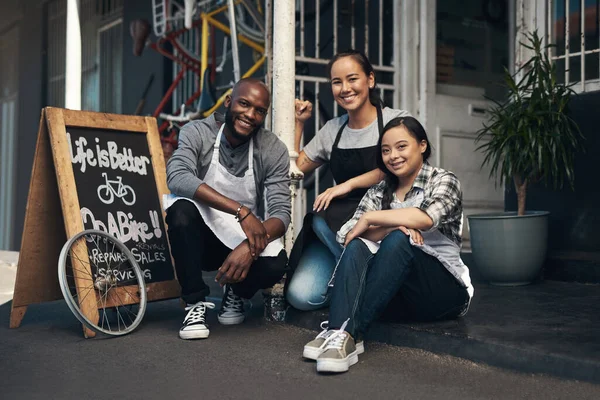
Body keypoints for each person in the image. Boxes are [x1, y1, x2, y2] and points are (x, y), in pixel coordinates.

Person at [302, 116, 474, 373]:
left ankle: (344, 331)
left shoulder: (443, 180)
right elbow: (349, 235)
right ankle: (344, 335)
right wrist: (393, 224)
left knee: (398, 240)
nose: (393, 156)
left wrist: (373, 219)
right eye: (385, 150)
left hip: (442, 292)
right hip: (395, 293)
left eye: (401, 147)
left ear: (422, 146)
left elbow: (424, 219)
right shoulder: (379, 191)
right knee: (361, 245)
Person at [163, 78, 290, 340]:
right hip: (201, 238)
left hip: (238, 239)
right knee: (181, 212)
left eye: (259, 110)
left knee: (276, 263)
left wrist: (249, 248)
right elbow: (177, 177)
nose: (250, 115)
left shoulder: (272, 149)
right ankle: (194, 303)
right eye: (244, 104)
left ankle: (236, 292)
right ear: (228, 102)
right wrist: (241, 211)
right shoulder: (198, 132)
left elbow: (281, 214)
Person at [286, 49, 410, 311]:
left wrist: (348, 184)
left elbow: (399, 169)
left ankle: (358, 279)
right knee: (301, 296)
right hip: (335, 228)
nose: (345, 88)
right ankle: (358, 280)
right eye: (336, 82)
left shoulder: (396, 121)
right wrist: (299, 123)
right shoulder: (332, 129)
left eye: (352, 79)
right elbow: (296, 168)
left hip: (381, 224)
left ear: (370, 80)